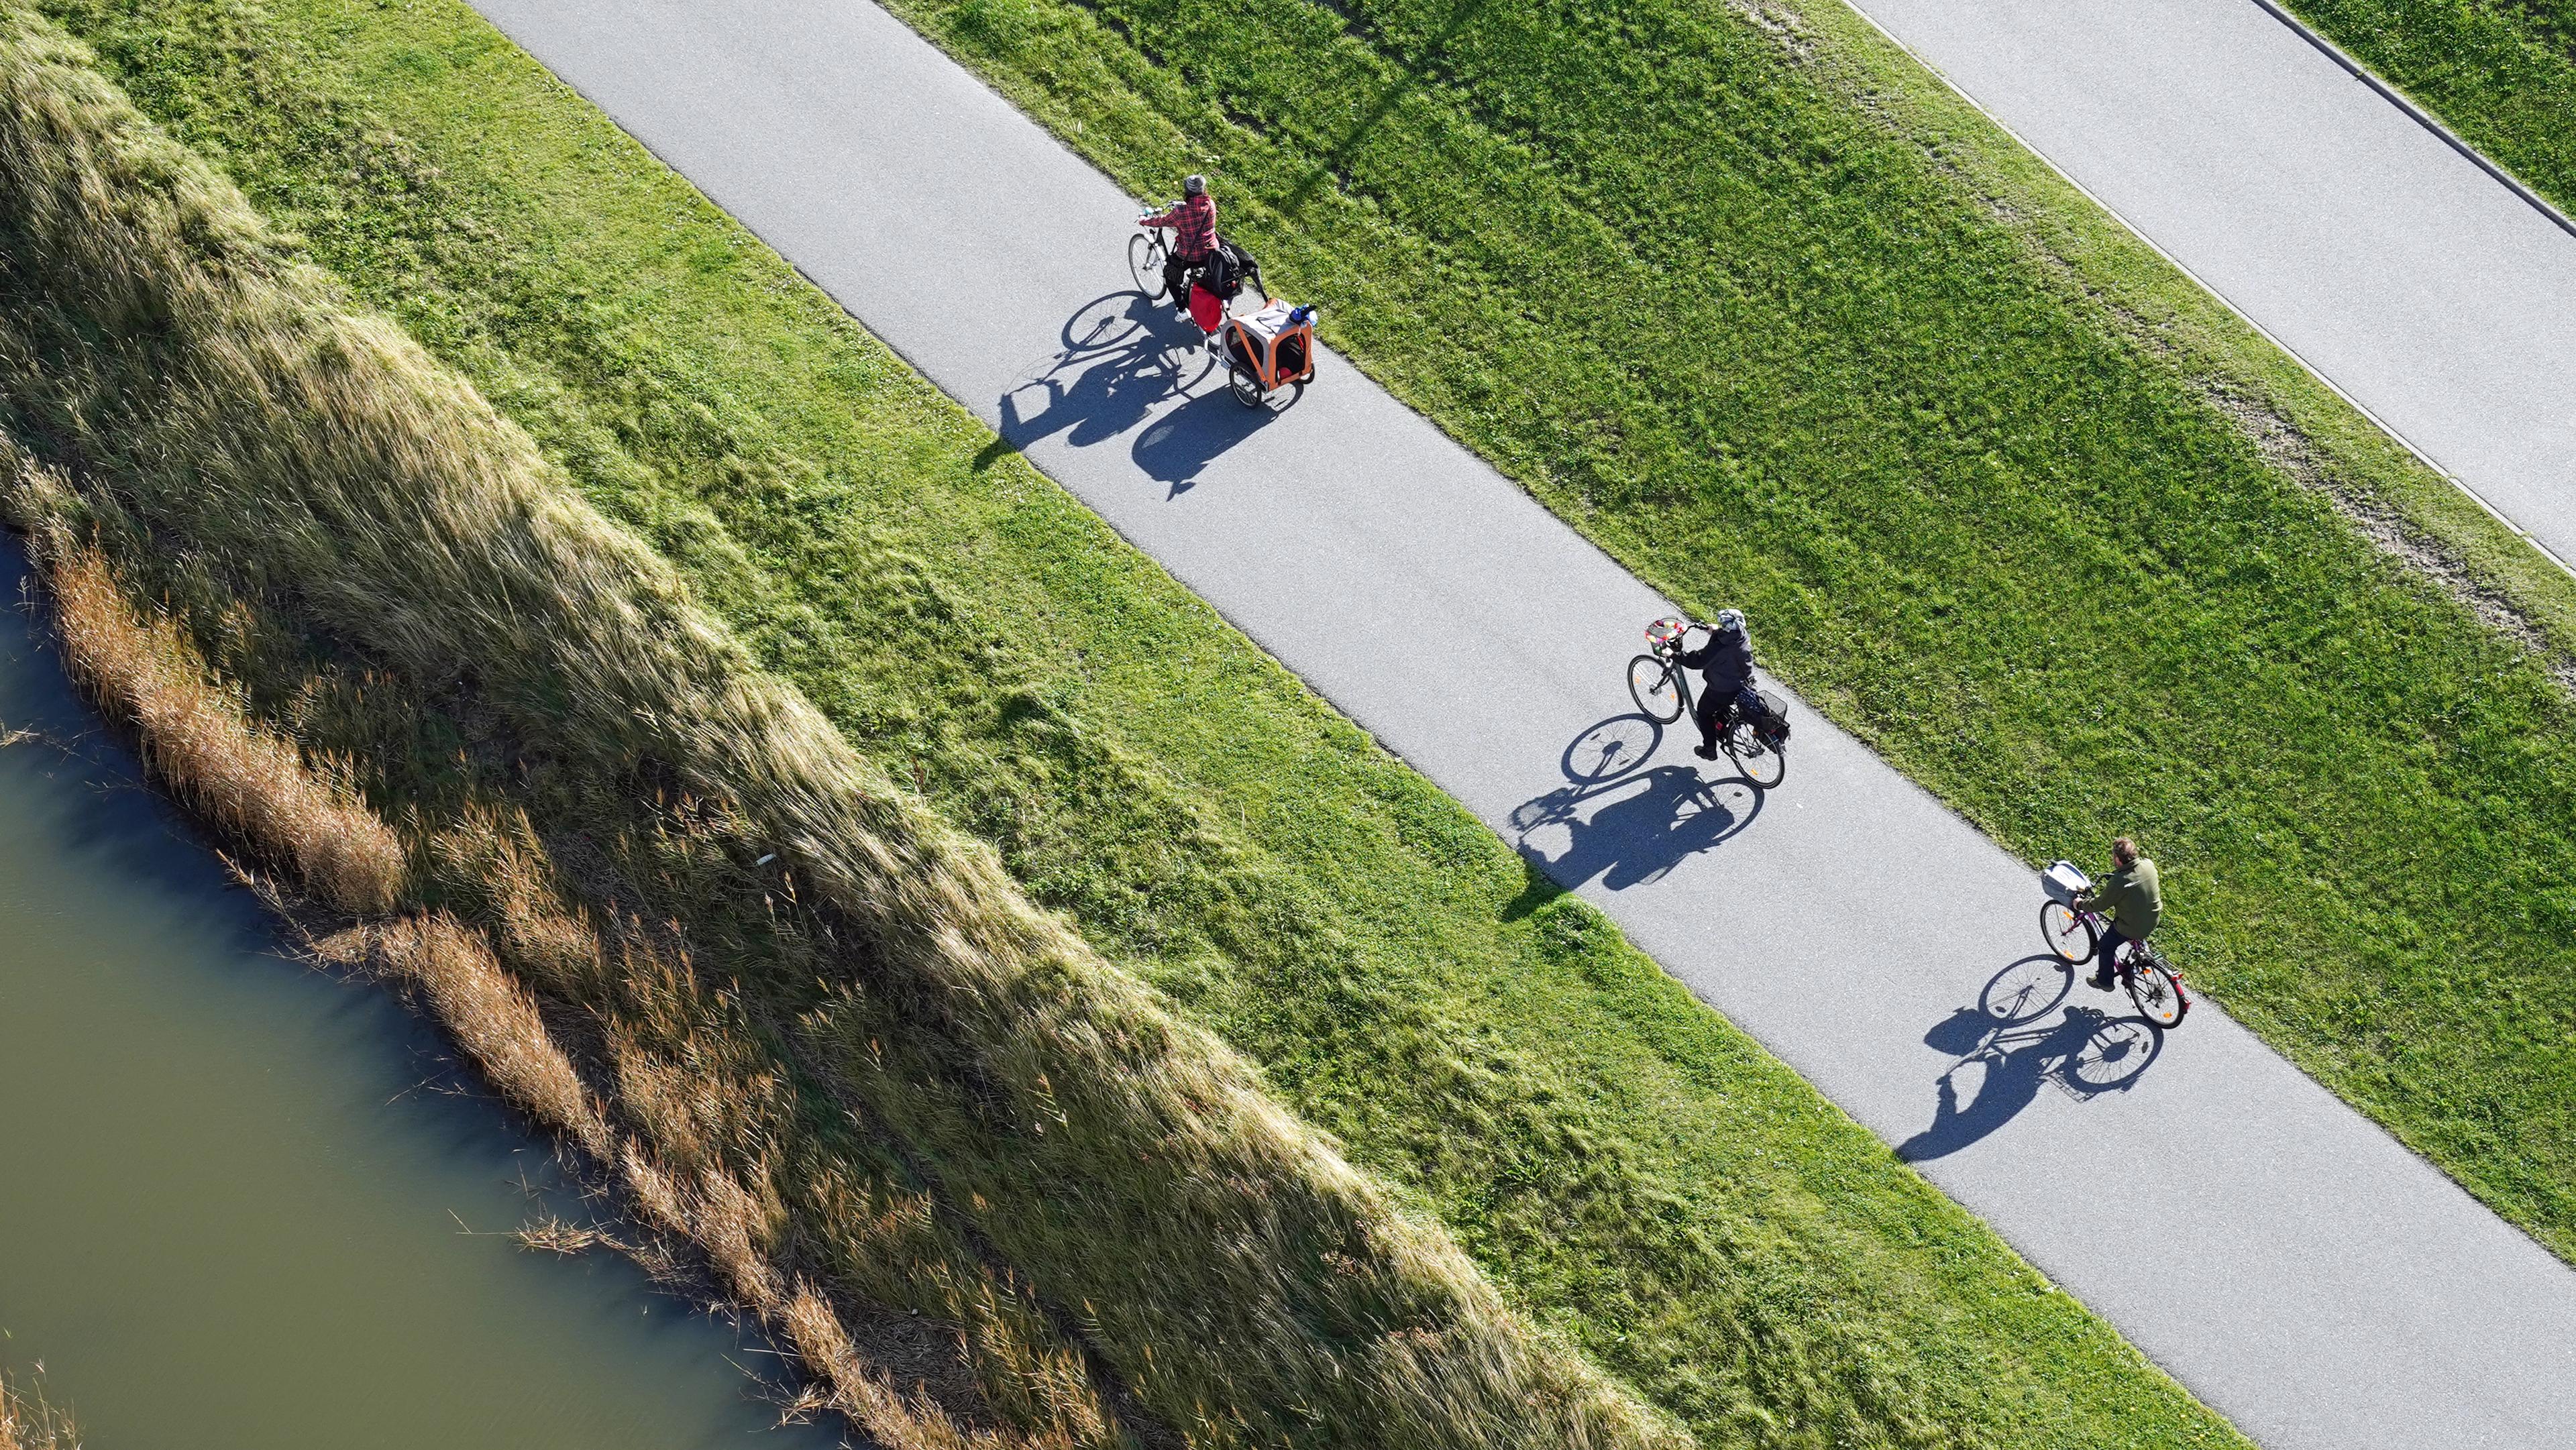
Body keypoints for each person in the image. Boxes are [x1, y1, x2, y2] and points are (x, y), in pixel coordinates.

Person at [2079, 836, 2162, 991]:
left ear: (2117, 859)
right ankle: (2140, 954)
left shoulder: (2120, 880)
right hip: (2153, 917)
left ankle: (2105, 981)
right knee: (2134, 926)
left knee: (2105, 946)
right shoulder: (2148, 865)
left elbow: (2100, 905)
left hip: (2133, 927)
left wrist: (2081, 905)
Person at [1676, 609, 1759, 761]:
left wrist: (1675, 655)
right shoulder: (1742, 636)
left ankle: (1709, 750)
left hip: (1723, 689)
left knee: (1703, 712)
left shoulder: (1720, 648)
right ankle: (1722, 725)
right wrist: (1716, 632)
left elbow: (1698, 661)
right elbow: (1727, 640)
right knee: (1719, 708)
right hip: (1744, 683)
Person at [1141, 174, 1218, 317]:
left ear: (1187, 191)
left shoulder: (1181, 212)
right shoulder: (1211, 205)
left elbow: (1162, 221)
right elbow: (1195, 210)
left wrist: (1144, 221)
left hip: (1189, 256)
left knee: (1170, 276)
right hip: (1211, 252)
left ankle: (1182, 310)